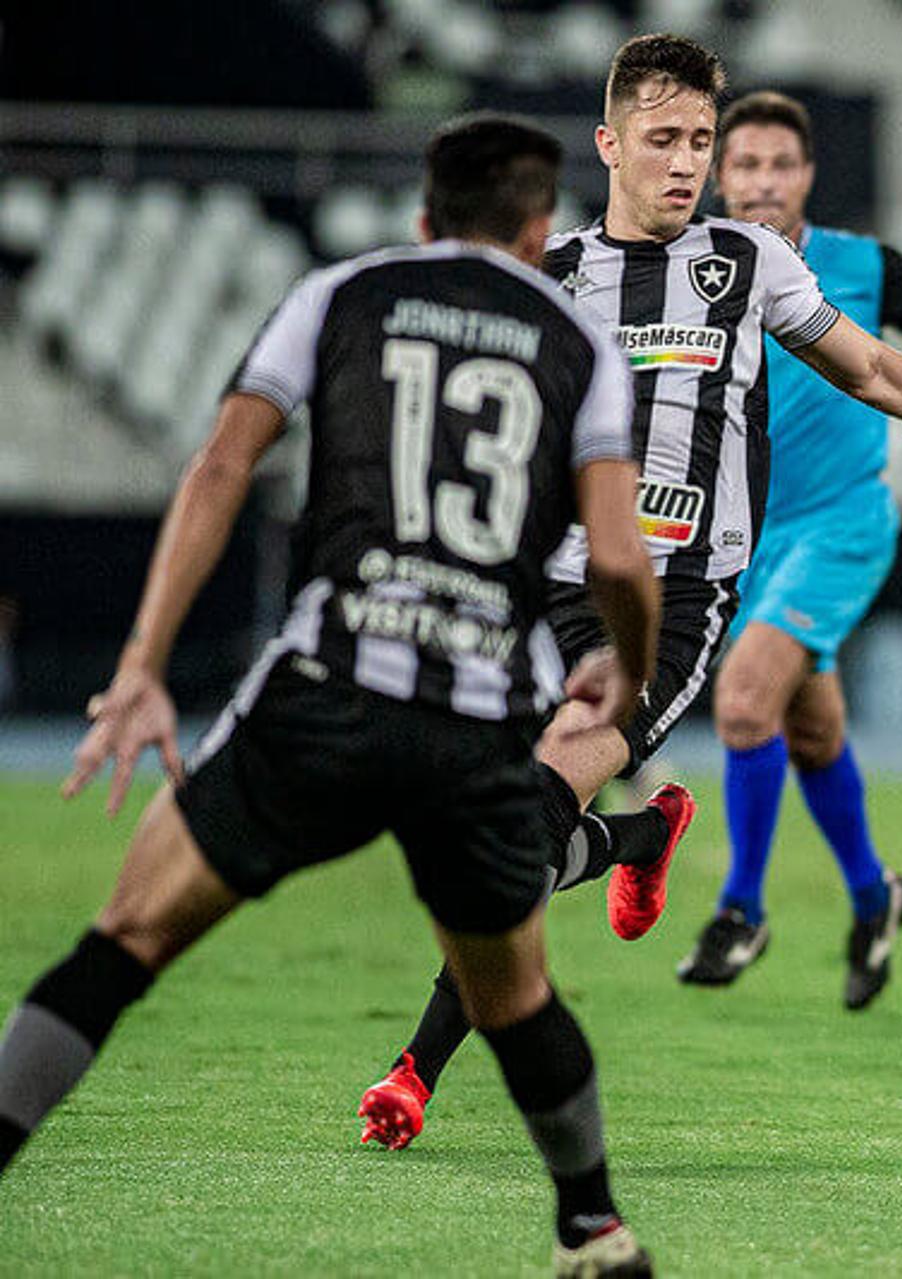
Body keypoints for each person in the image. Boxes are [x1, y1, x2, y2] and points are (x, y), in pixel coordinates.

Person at [357, 33, 902, 1152]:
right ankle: (640, 836)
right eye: (664, 139)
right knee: (480, 833)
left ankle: (413, 1069)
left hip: (673, 604)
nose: (688, 161)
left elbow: (875, 368)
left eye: (701, 138)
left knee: (521, 824)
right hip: (540, 590)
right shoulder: (552, 276)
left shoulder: (747, 263)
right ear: (608, 146)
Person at [0, 116, 663, 1276]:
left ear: (424, 216)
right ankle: (593, 1226)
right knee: (514, 995)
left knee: (128, 938)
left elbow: (220, 466)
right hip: (475, 719)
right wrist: (629, 662)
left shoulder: (342, 293)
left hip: (328, 689)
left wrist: (144, 664)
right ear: (539, 225)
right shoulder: (578, 342)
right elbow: (619, 557)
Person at [676, 90, 902, 1008]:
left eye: (779, 164)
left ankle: (741, 908)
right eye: (743, 165)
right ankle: (875, 896)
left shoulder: (864, 265)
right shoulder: (684, 268)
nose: (762, 182)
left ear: (808, 175)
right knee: (812, 728)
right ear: (717, 176)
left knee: (745, 701)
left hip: (840, 527)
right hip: (738, 538)